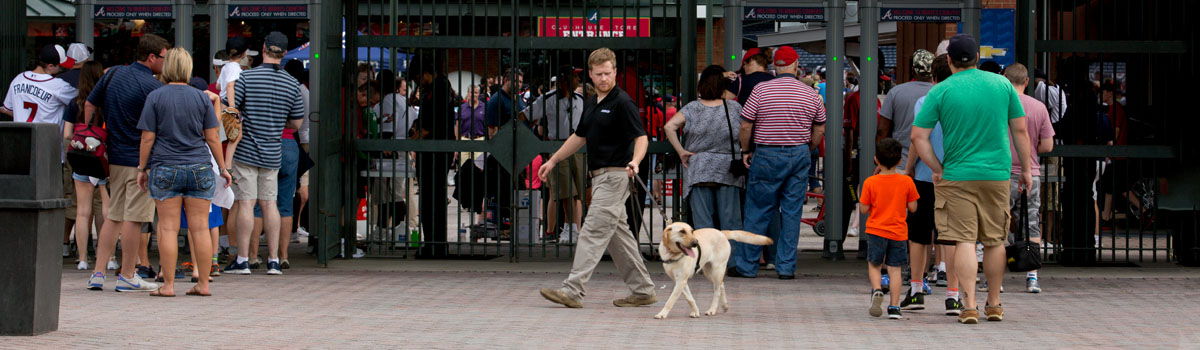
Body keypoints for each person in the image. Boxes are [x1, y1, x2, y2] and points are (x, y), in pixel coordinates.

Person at [910, 34, 1033, 324]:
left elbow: (918, 136)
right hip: (996, 174)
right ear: (977, 58)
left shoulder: (941, 91)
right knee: (994, 241)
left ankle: (968, 305)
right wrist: (1026, 169)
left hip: (956, 175)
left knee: (964, 241)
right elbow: (1020, 131)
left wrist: (937, 167)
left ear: (949, 60)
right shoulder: (1002, 84)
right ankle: (994, 302)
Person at [538, 47, 657, 308]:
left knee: (591, 230)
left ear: (615, 72)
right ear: (590, 75)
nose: (604, 78)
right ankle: (644, 290)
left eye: (608, 73)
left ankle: (572, 290)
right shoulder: (592, 103)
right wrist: (553, 159)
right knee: (619, 237)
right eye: (599, 74)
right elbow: (579, 136)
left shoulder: (623, 102)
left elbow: (641, 137)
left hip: (616, 176)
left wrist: (635, 161)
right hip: (599, 176)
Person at [134, 47, 231, 296]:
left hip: (165, 166)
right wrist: (222, 168)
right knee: (200, 227)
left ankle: (167, 285)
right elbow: (212, 137)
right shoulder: (201, 98)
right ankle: (204, 283)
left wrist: (142, 168)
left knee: (167, 227)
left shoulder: (156, 96)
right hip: (199, 167)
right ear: (188, 68)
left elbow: (147, 137)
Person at [729, 45, 826, 279]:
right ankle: (785, 267)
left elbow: (745, 125)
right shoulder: (810, 94)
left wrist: (746, 150)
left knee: (758, 210)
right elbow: (820, 126)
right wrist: (808, 147)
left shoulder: (761, 90)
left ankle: (747, 266)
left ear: (775, 66)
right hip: (799, 153)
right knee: (791, 212)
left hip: (766, 154)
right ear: (795, 66)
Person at [83, 33, 171, 292]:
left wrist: (91, 131)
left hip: (112, 155)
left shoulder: (112, 75)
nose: (165, 64)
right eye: (164, 58)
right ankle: (127, 275)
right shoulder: (153, 88)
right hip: (139, 160)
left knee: (114, 215)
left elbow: (90, 103)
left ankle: (98, 273)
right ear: (152, 57)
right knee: (134, 218)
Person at [223, 31, 305, 276]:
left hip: (247, 149)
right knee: (271, 205)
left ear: (264, 48)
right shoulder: (292, 84)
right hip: (273, 150)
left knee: (246, 203)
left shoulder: (247, 78)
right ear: (285, 53)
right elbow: (296, 124)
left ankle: (243, 260)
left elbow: (232, 113)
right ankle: (274, 261)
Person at [5, 44, 80, 260]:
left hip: (21, 148)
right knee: (48, 200)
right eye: (60, 66)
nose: (63, 70)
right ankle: (47, 246)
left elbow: (8, 108)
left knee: (22, 199)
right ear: (49, 66)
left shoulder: (19, 79)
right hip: (48, 151)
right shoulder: (58, 85)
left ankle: (20, 242)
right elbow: (82, 99)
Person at [878, 49, 936, 306]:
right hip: (932, 166)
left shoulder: (896, 92)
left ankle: (893, 268)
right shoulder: (939, 94)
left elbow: (883, 127)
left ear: (911, 68)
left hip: (899, 162)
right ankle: (926, 274)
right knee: (932, 225)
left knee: (898, 220)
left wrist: (880, 159)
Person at [905, 53, 959, 314]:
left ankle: (916, 289)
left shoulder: (924, 101)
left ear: (934, 77)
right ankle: (953, 295)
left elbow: (918, 138)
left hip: (926, 175)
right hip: (954, 177)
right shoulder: (963, 102)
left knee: (919, 235)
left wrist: (908, 168)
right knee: (951, 236)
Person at [663, 65, 745, 234]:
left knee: (703, 224)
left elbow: (669, 126)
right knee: (730, 222)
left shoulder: (692, 108)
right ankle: (732, 259)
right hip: (728, 169)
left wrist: (681, 151)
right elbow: (745, 131)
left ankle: (707, 258)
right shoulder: (734, 108)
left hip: (699, 168)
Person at [1002, 63, 1055, 294]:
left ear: (1004, 80)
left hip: (1002, 174)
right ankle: (1032, 276)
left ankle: (996, 278)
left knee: (999, 224)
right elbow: (1048, 144)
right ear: (1026, 82)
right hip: (1031, 173)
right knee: (1032, 220)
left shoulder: (1000, 105)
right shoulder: (1039, 107)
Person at [523, 65, 585, 242]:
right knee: (565, 192)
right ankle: (568, 228)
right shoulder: (548, 99)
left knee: (577, 192)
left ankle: (572, 228)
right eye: (575, 77)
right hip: (558, 147)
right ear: (564, 80)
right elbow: (526, 116)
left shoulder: (579, 99)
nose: (578, 81)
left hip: (578, 148)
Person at [861, 138, 920, 319]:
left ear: (876, 160)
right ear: (899, 161)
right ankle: (894, 307)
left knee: (875, 264)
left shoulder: (870, 182)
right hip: (898, 231)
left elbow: (863, 209)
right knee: (895, 269)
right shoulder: (906, 182)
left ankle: (878, 289)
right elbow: (913, 208)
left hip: (876, 230)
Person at [61, 61, 108, 271]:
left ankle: (81, 258)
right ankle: (107, 255)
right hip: (102, 159)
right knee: (103, 208)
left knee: (82, 210)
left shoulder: (74, 103)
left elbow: (67, 135)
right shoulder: (106, 103)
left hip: (81, 158)